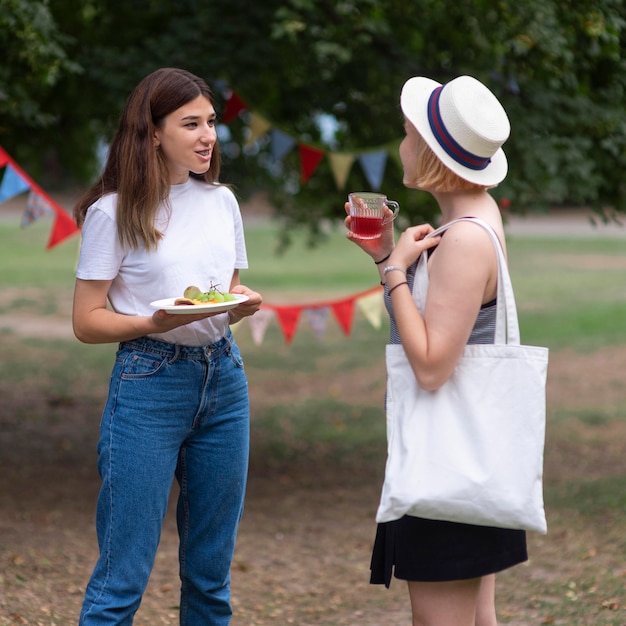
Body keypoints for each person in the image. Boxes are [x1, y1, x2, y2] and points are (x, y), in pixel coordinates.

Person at [72, 67, 262, 625]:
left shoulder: (222, 201)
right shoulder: (113, 211)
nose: (208, 136)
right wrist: (150, 323)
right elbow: (86, 321)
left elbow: (217, 295)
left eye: (211, 123)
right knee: (121, 579)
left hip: (223, 380)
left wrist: (238, 305)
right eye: (190, 123)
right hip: (148, 385)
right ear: (153, 132)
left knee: (210, 578)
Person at [345, 74, 527, 626]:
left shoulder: (465, 240)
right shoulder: (475, 220)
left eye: (406, 133)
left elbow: (430, 366)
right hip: (472, 456)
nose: (400, 145)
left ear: (428, 151)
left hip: (448, 464)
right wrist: (386, 261)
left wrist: (396, 268)